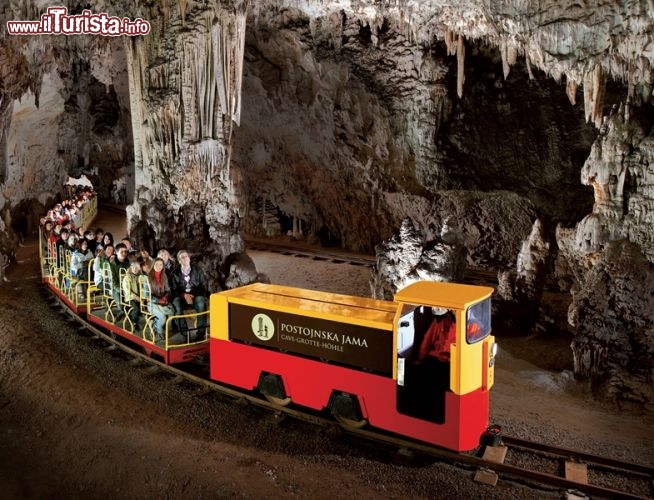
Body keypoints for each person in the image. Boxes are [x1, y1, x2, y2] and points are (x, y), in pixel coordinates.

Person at [170, 250, 208, 340]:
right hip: (181, 297)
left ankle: (200, 333)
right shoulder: (175, 273)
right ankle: (184, 333)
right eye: (182, 257)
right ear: (179, 261)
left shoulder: (198, 270)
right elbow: (173, 290)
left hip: (195, 296)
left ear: (189, 258)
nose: (185, 258)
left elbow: (203, 286)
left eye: (186, 256)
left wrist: (192, 295)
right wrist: (184, 296)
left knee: (201, 303)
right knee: (177, 305)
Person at [147, 258, 175, 340]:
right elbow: (147, 295)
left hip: (163, 301)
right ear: (153, 265)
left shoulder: (164, 276)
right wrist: (158, 300)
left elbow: (168, 289)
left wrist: (165, 297)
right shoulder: (148, 277)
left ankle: (154, 323)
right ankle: (159, 331)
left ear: (163, 266)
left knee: (171, 313)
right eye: (156, 264)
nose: (158, 266)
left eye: (160, 265)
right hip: (151, 302)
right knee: (162, 317)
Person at [122, 260, 142, 329]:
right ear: (131, 268)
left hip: (139, 297)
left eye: (137, 267)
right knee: (136, 309)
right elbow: (127, 291)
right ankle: (134, 322)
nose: (135, 269)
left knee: (147, 306)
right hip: (130, 297)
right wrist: (136, 297)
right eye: (133, 267)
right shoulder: (127, 277)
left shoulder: (140, 277)